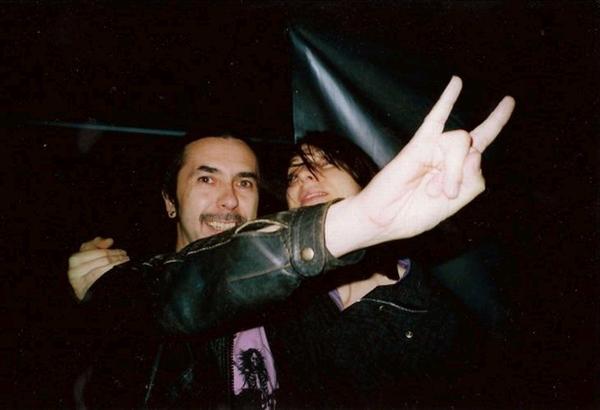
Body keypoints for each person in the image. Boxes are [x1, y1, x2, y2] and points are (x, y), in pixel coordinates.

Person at [69, 77, 515, 407]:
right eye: (206, 178)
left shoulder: (295, 300)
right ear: (169, 201)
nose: (229, 199)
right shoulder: (135, 293)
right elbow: (180, 292)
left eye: (245, 182)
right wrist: (109, 288)